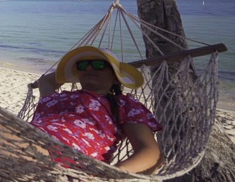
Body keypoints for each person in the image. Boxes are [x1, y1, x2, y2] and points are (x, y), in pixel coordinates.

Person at [30, 45, 163, 174]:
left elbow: (150, 152)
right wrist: (73, 72)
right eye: (82, 66)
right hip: (27, 135)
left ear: (116, 78)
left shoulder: (123, 104)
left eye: (98, 65)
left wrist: (115, 173)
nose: (88, 69)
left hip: (69, 160)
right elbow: (44, 81)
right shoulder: (57, 98)